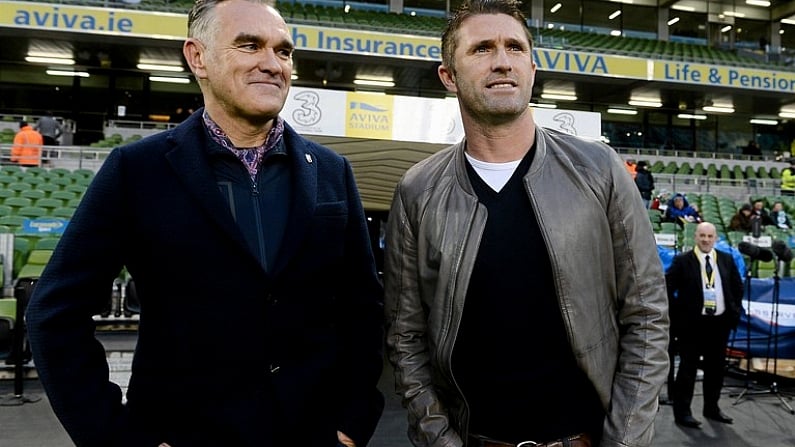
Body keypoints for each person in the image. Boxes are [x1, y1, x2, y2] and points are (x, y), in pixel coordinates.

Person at [25, 1, 384, 446]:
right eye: (249, 45)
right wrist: (117, 438)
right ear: (198, 58)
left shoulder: (332, 170)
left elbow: (362, 308)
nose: (271, 64)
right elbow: (55, 312)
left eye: (284, 51)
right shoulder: (137, 170)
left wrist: (352, 422)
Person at [383, 1, 670, 446]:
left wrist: (625, 441)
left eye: (514, 47)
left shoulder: (600, 170)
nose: (502, 60)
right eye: (481, 49)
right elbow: (406, 338)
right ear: (448, 76)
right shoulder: (418, 191)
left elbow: (648, 314)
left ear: (532, 68)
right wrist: (439, 439)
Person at [665, 222, 743, 429]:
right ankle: (683, 413)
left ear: (715, 238)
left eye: (710, 236)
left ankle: (712, 408)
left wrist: (733, 311)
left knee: (716, 370)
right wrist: (677, 315)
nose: (706, 240)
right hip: (692, 326)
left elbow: (737, 286)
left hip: (719, 324)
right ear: (695, 237)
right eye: (702, 236)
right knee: (688, 369)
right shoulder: (682, 261)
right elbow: (666, 288)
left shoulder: (726, 260)